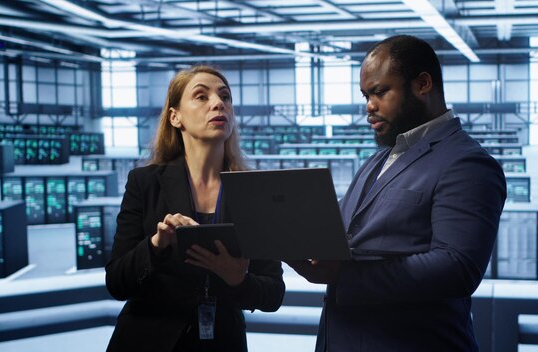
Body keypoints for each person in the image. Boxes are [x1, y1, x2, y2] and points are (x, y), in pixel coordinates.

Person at [288, 35, 507, 351]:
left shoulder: (467, 163)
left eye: (379, 92)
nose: (369, 106)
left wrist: (343, 276)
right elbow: (346, 225)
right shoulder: (380, 157)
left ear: (422, 84)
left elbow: (456, 267)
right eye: (365, 95)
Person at [105, 65, 285, 351]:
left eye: (225, 97)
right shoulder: (144, 183)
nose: (218, 103)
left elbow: (273, 293)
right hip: (148, 340)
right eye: (201, 97)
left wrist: (238, 279)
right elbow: (116, 282)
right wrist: (155, 245)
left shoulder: (254, 193)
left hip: (222, 342)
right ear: (175, 117)